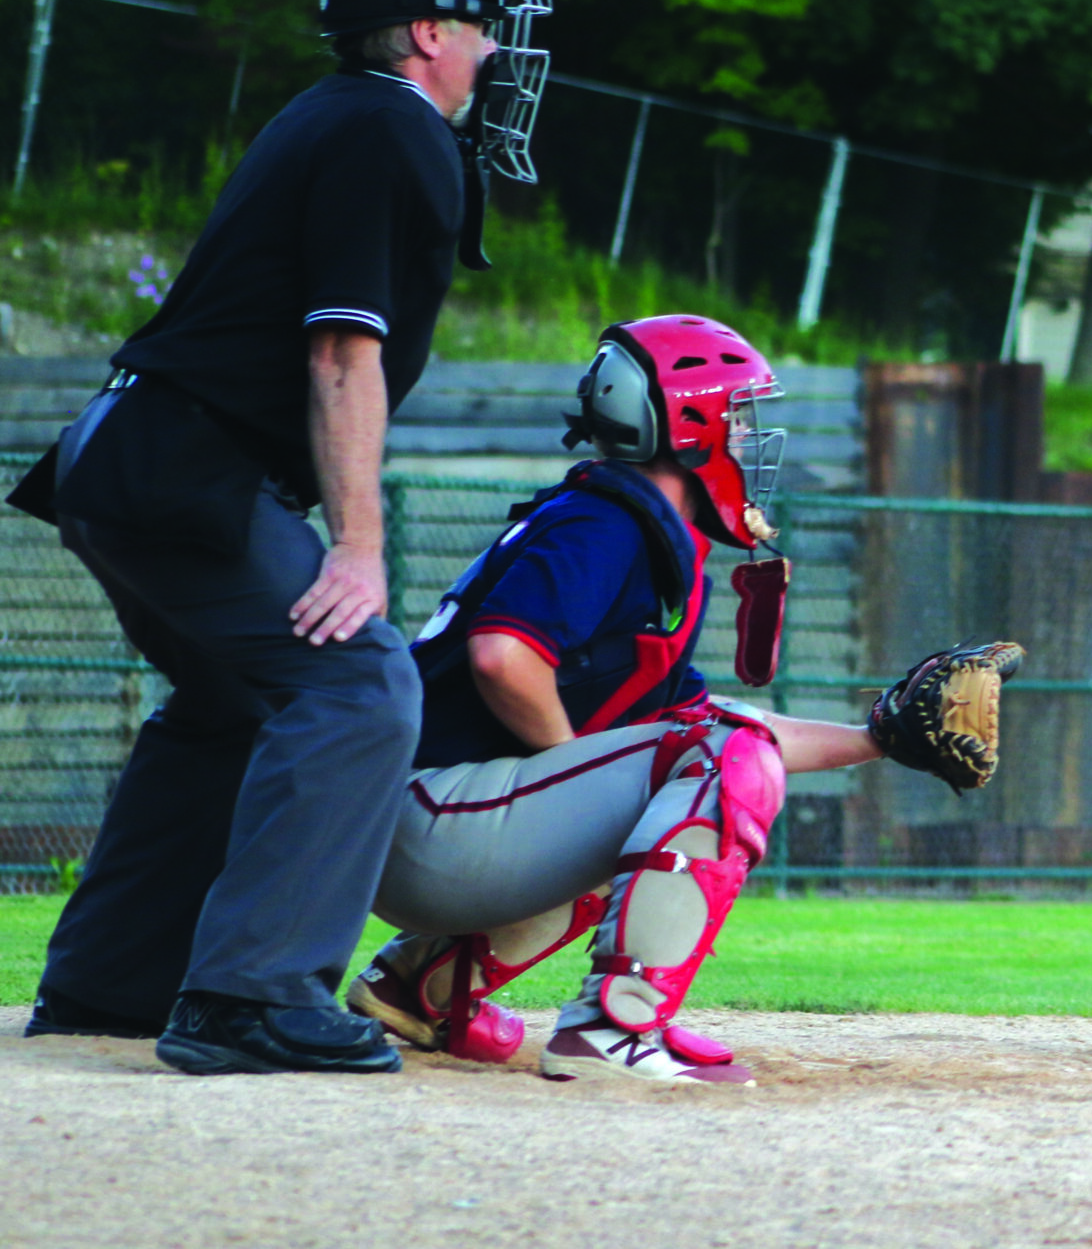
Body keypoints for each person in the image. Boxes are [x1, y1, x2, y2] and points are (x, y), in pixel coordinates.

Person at [10, 0, 552, 1076]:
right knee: (360, 681)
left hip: (129, 453)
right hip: (181, 461)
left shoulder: (332, 113)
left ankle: (110, 982)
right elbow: (342, 352)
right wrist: (357, 547)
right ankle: (249, 996)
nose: (495, 53)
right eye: (480, 28)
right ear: (425, 34)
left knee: (230, 699)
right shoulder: (393, 128)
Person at [346, 315, 1013, 1084]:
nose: (748, 435)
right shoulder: (607, 524)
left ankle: (416, 987)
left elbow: (706, 728)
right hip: (426, 819)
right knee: (710, 766)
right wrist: (576, 767)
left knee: (692, 767)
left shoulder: (632, 527)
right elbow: (504, 656)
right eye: (739, 413)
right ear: (691, 423)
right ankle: (614, 1025)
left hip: (426, 822)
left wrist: (880, 733)